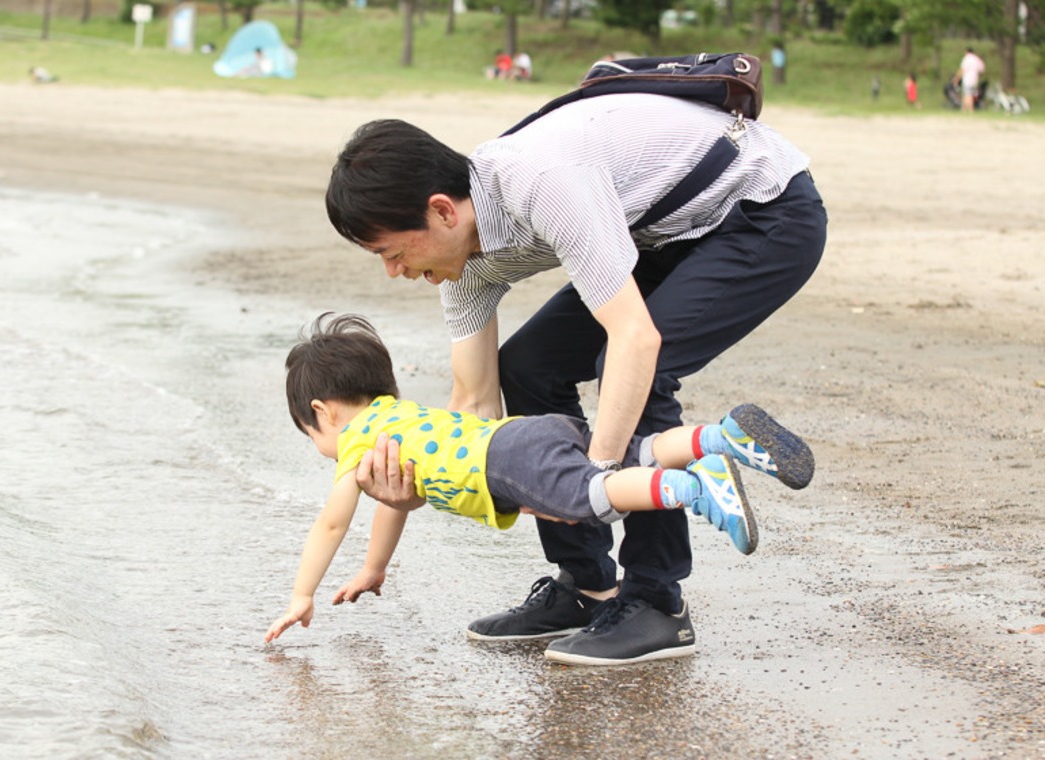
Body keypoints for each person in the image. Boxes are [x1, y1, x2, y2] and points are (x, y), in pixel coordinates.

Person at [323, 90, 826, 665]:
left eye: (390, 252)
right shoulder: (463, 265)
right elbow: (475, 405)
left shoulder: (540, 181)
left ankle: (657, 602)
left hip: (764, 212)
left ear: (441, 211)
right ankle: (589, 587)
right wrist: (411, 490)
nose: (393, 273)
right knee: (527, 365)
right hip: (661, 236)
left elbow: (636, 339)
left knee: (637, 366)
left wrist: (598, 485)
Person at [264, 313, 814, 659]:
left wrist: (301, 594)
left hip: (507, 462)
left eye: (311, 434)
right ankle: (718, 437)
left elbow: (331, 521)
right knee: (630, 453)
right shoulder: (396, 413)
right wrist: (374, 568)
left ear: (322, 413)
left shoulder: (357, 441)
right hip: (528, 432)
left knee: (596, 498)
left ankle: (693, 488)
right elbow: (395, 502)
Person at [954, 47, 985, 112]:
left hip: (967, 79)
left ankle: (970, 109)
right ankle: (964, 108)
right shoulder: (977, 59)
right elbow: (982, 69)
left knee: (968, 94)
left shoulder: (967, 59)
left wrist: (957, 78)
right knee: (969, 93)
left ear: (967, 52)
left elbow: (963, 69)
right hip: (975, 79)